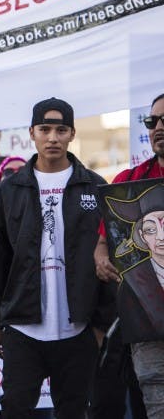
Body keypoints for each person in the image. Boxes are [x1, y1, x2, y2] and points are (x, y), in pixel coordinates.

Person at [0, 97, 112, 418]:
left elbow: (111, 257)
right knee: (15, 408)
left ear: (72, 134)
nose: (53, 137)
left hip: (78, 328)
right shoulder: (10, 189)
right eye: (45, 129)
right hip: (24, 329)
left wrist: (99, 326)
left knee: (74, 410)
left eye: (61, 129)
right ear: (32, 133)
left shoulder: (95, 187)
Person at [96, 92, 164, 418]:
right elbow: (102, 242)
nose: (158, 127)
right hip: (147, 327)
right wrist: (101, 259)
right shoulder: (127, 182)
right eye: (152, 121)